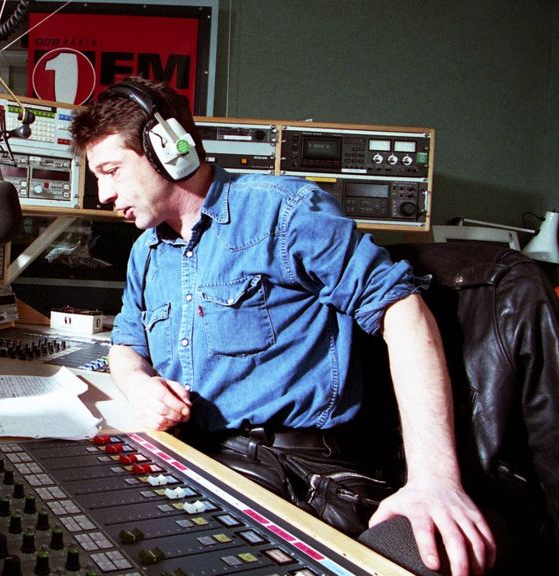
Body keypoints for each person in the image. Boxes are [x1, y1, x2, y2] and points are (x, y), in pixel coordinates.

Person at [69, 76, 495, 576]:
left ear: (168, 150)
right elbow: (125, 344)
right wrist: (138, 384)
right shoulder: (147, 251)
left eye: (111, 170)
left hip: (301, 470)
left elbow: (402, 311)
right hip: (202, 457)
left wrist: (435, 478)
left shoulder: (285, 210)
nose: (103, 193)